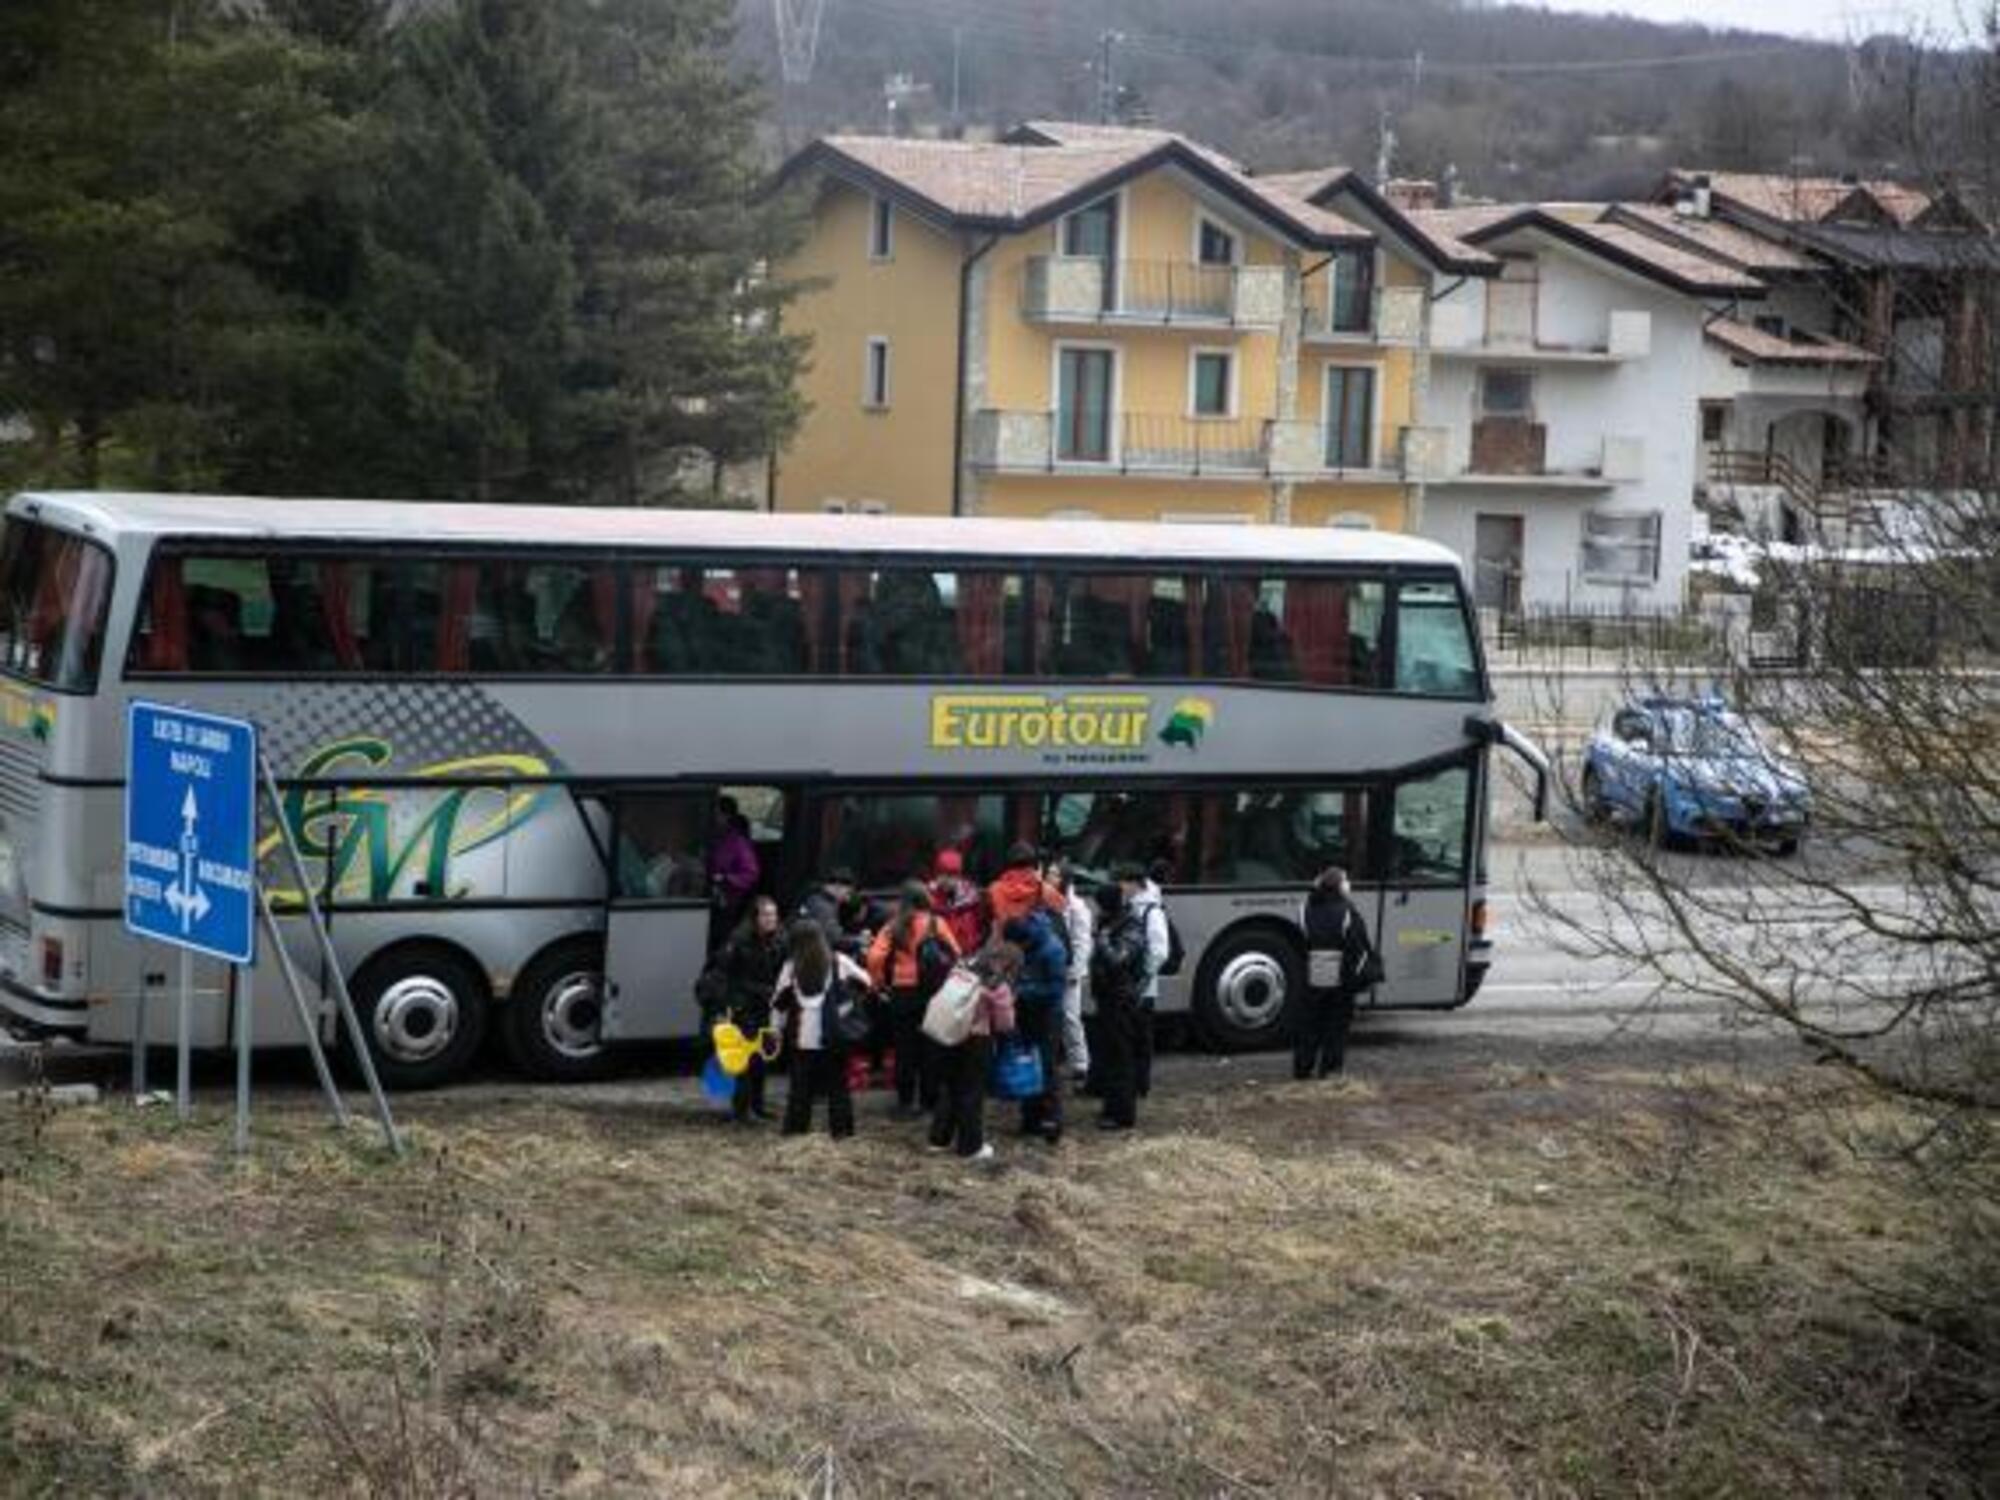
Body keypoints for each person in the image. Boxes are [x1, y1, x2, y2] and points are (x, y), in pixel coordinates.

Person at [866, 882, 960, 1118]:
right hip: (931, 993)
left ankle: (905, 1102)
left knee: (904, 1049)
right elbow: (956, 954)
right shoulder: (936, 923)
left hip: (902, 993)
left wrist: (879, 983)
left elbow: (874, 958)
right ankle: (929, 1101)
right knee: (931, 1047)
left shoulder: (894, 925)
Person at [772, 919, 871, 1138]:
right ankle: (842, 1132)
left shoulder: (790, 967)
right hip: (833, 1037)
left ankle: (796, 1132)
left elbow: (778, 1004)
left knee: (799, 1090)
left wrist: (775, 1031)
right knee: (838, 1087)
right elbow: (867, 981)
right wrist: (847, 997)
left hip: (802, 1039)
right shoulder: (838, 961)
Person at [928, 942, 1020, 1162]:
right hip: (977, 1037)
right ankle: (970, 1146)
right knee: (972, 1091)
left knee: (950, 1087)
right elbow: (1005, 1024)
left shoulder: (963, 965)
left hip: (949, 1031)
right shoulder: (997, 983)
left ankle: (939, 1139)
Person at [1297, 866, 1376, 1079]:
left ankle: (1303, 1068)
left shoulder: (1304, 909)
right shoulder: (1347, 912)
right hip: (1340, 977)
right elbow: (1358, 948)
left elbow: (1301, 943)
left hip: (1313, 973)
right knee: (1336, 1025)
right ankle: (1329, 1069)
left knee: (1310, 1023)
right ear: (1342, 887)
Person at [713, 895, 785, 1122]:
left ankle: (758, 1105)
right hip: (743, 1006)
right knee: (744, 1060)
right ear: (755, 917)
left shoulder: (778, 939)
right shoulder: (739, 940)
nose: (770, 919)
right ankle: (742, 1109)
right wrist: (726, 1006)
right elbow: (726, 976)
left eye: (773, 914)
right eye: (765, 914)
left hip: (765, 1006)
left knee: (762, 1059)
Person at [1002, 910, 1068, 1144]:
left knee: (1047, 1069)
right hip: (1028, 1014)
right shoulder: (1028, 943)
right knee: (1027, 1064)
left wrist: (1023, 990)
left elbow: (1057, 990)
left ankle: (1052, 1121)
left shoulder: (1052, 949)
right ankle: (1030, 1119)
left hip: (1048, 1016)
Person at [1088, 883, 1148, 1131]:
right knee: (1110, 1055)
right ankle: (1111, 1108)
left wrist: (1101, 939)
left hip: (1121, 1000)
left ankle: (1122, 1114)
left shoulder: (1130, 925)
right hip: (1108, 998)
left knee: (1121, 1057)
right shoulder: (1112, 921)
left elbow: (1118, 959)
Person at [1120, 862, 1172, 1101]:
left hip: (1143, 988)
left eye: (1124, 882)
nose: (1121, 886)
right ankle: (1135, 1082)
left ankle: (1142, 1084)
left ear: (1135, 884)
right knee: (1135, 1037)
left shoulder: (1152, 911)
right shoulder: (1132, 907)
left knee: (1141, 1037)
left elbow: (1160, 951)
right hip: (1134, 986)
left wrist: (1143, 975)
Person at [1048, 863, 1093, 1084]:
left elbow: (1082, 941)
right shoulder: (1049, 901)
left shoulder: (1076, 907)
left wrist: (1075, 971)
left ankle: (1081, 1064)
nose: (1049, 877)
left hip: (1068, 971)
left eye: (1054, 874)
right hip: (1052, 968)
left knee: (1070, 1017)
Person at [706, 796, 760, 938]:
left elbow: (751, 874)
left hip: (729, 905)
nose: (712, 818)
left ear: (726, 816)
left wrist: (725, 878)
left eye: (716, 814)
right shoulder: (716, 838)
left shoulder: (738, 843)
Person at [987, 841, 1064, 927]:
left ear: (1009, 863)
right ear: (1032, 863)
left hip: (1003, 937)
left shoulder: (995, 888)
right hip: (1034, 937)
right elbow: (1061, 906)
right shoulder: (1041, 887)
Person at [798, 867, 868, 958]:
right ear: (837, 887)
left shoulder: (818, 898)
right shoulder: (823, 907)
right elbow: (834, 939)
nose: (848, 896)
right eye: (848, 892)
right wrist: (859, 941)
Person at [929, 848, 988, 955]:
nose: (947, 880)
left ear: (959, 876)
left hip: (969, 954)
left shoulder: (971, 898)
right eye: (943, 874)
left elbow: (981, 925)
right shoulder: (929, 898)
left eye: (952, 875)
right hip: (940, 957)